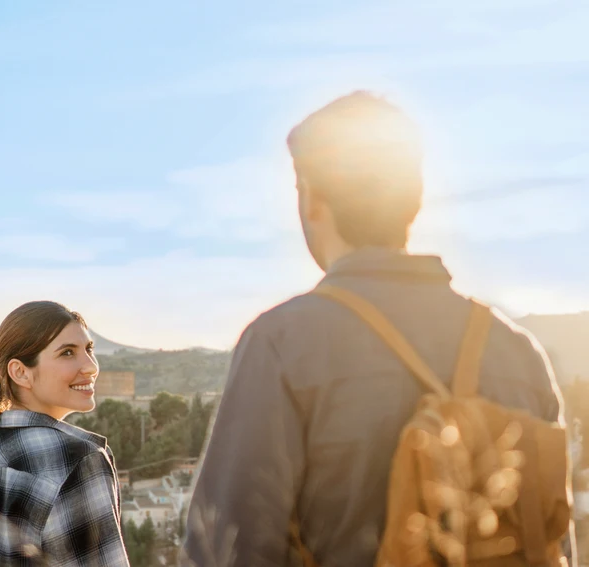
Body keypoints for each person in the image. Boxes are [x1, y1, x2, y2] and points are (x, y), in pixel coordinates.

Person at [181, 91, 573, 566]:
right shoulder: (520, 354)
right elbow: (550, 537)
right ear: (414, 199)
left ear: (311, 198)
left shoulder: (282, 344)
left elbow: (225, 552)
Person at [0, 300, 130, 566]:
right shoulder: (77, 458)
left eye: (89, 349)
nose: (90, 366)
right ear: (20, 372)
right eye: (67, 352)